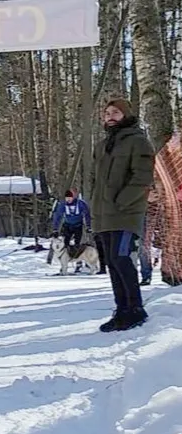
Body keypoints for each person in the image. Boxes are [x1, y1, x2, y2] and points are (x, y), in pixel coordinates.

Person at [88, 98, 156, 332]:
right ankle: (121, 310)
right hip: (103, 216)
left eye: (115, 112)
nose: (110, 116)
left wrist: (122, 201)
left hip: (126, 214)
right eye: (107, 113)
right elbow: (95, 181)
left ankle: (135, 309)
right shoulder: (102, 146)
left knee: (122, 259)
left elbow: (142, 177)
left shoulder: (138, 142)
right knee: (112, 264)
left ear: (126, 115)